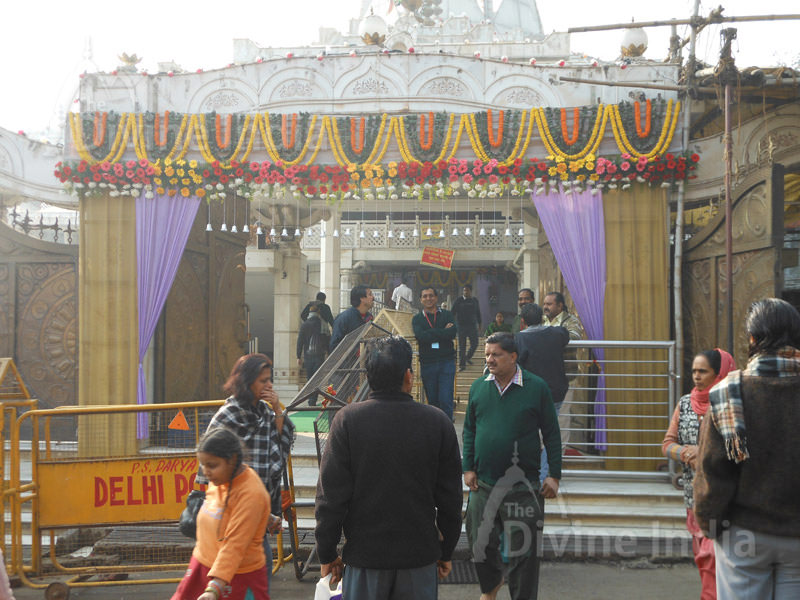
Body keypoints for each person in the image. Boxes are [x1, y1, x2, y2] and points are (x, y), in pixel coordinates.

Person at [315, 336, 463, 600]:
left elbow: (330, 497)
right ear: (408, 376)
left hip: (365, 561)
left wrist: (327, 553)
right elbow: (451, 499)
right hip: (419, 560)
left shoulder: (347, 421)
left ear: (367, 377)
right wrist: (446, 550)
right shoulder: (437, 423)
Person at [694, 298, 800, 600]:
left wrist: (711, 526)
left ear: (753, 339)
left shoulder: (727, 393)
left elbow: (712, 473)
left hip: (743, 536)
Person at [462, 332, 561, 600]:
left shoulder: (536, 387)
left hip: (524, 487)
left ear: (513, 357)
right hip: (483, 484)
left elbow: (551, 433)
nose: (489, 359)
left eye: (496, 354)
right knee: (478, 542)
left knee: (525, 555)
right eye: (487, 354)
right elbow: (469, 429)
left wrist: (554, 475)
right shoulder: (479, 387)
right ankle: (491, 586)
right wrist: (467, 466)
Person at [199, 353, 295, 589]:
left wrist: (276, 408)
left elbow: (277, 440)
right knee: (246, 571)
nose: (268, 385)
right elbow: (208, 460)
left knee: (254, 571)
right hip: (232, 509)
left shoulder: (263, 411)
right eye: (263, 381)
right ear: (247, 381)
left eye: (269, 380)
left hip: (258, 505)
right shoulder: (228, 415)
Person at [662, 348, 735, 600]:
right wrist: (685, 453)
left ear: (719, 373)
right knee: (703, 558)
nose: (696, 376)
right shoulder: (684, 403)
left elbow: (739, 448)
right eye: (693, 371)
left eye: (702, 371)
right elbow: (667, 444)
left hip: (724, 497)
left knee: (716, 558)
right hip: (694, 498)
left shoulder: (730, 404)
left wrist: (703, 451)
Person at [172, 428, 270, 600]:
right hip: (203, 565)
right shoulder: (220, 479)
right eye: (202, 464)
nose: (205, 471)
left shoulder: (251, 493)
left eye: (212, 465)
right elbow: (229, 513)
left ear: (232, 460)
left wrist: (214, 588)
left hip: (236, 576)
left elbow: (235, 545)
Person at [515, 303, 569, 484]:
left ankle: (531, 473)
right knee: (551, 433)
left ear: (522, 321)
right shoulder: (557, 333)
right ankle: (546, 473)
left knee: (528, 433)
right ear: (542, 318)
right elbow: (566, 335)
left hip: (531, 394)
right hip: (556, 391)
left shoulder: (519, 340)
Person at [542, 292, 585, 449]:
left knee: (562, 416)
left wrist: (546, 336)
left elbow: (574, 337)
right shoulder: (542, 321)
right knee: (543, 415)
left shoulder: (570, 321)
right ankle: (543, 450)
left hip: (565, 376)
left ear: (560, 306)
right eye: (544, 304)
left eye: (549, 304)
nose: (545, 307)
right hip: (544, 377)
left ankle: (560, 452)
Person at [411, 286, 458, 420]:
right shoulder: (417, 319)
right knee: (432, 401)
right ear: (420, 300)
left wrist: (431, 333)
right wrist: (442, 332)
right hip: (428, 363)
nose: (428, 298)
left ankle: (447, 430)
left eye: (431, 295)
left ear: (436, 298)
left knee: (446, 399)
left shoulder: (447, 314)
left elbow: (452, 332)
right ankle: (436, 430)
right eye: (425, 296)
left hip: (446, 362)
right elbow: (421, 337)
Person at [296, 303, 328, 403]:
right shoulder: (323, 324)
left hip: (308, 355)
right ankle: (313, 399)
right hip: (320, 355)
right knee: (317, 378)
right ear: (318, 313)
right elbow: (327, 339)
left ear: (309, 313)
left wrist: (298, 356)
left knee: (309, 378)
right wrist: (328, 352)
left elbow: (300, 341)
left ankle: (311, 400)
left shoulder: (305, 324)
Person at [329, 285, 374, 351]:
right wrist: (355, 351)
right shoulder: (343, 319)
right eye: (370, 294)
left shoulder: (369, 318)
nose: (373, 297)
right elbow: (334, 347)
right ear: (362, 298)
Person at [452, 284, 482, 372]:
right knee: (462, 346)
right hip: (461, 326)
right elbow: (452, 312)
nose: (465, 292)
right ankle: (462, 365)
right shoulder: (458, 300)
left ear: (470, 291)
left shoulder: (474, 300)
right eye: (464, 290)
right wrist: (451, 323)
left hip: (472, 326)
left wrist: (480, 323)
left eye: (467, 290)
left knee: (475, 343)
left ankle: (467, 357)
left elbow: (478, 313)